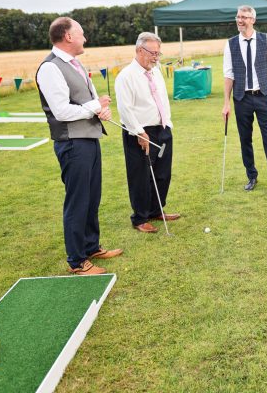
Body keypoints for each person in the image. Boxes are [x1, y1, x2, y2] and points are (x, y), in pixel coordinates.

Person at [36, 17, 122, 275]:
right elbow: (61, 111)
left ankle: (91, 246)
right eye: (81, 34)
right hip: (72, 142)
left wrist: (100, 110)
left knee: (92, 196)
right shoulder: (50, 68)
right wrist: (96, 107)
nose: (85, 38)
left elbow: (87, 101)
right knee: (78, 200)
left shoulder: (76, 63)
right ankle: (77, 261)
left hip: (89, 137)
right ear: (68, 37)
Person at [114, 32, 179, 234]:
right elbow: (125, 108)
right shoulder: (126, 76)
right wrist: (139, 132)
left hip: (162, 127)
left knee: (162, 173)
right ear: (139, 50)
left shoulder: (155, 71)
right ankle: (140, 217)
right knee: (141, 176)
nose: (156, 57)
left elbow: (161, 99)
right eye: (153, 53)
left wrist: (166, 123)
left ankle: (155, 210)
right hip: (140, 132)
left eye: (158, 53)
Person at [222, 5, 267, 197]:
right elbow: (228, 74)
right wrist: (226, 102)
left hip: (264, 97)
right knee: (245, 140)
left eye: (244, 17)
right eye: (238, 16)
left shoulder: (266, 40)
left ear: (253, 20)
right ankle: (251, 176)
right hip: (241, 99)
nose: (239, 20)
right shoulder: (231, 43)